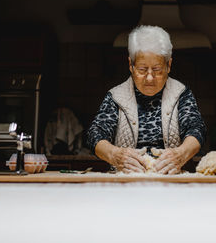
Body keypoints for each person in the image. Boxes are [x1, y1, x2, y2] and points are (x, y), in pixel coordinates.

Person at [87, 25, 206, 174]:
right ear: (131, 65)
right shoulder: (116, 96)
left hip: (173, 184)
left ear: (168, 65)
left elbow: (196, 129)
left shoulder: (181, 93)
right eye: (142, 70)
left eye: (157, 69)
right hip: (126, 184)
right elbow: (95, 134)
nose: (149, 78)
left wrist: (180, 154)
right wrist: (114, 155)